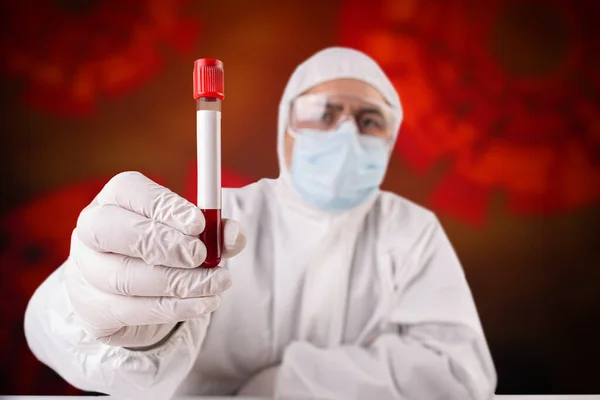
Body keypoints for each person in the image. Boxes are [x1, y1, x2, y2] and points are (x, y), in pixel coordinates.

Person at [24, 47, 497, 400]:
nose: (348, 133)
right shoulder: (221, 216)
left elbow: (459, 373)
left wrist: (293, 385)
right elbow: (52, 334)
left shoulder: (411, 230)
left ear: (392, 139)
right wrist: (96, 313)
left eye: (370, 120)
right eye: (324, 113)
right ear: (284, 128)